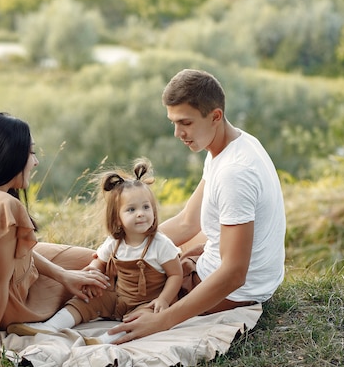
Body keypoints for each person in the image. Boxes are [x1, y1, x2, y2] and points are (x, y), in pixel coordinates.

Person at [108, 69, 286, 344]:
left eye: (186, 123)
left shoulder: (234, 173)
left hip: (232, 291)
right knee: (110, 262)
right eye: (173, 123)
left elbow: (234, 274)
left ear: (215, 116)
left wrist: (162, 321)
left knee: (111, 289)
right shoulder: (230, 145)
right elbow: (187, 223)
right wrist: (119, 247)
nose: (178, 133)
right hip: (233, 274)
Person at [0, 112, 110, 343]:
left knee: (98, 263)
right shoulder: (3, 206)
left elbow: (12, 253)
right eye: (30, 153)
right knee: (109, 273)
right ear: (10, 157)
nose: (35, 161)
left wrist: (64, 276)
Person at [7, 158, 183, 344]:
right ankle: (50, 327)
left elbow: (176, 275)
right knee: (86, 300)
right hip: (119, 296)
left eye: (146, 207)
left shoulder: (160, 244)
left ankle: (106, 339)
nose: (141, 213)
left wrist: (164, 300)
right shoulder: (115, 242)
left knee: (141, 319)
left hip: (148, 302)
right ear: (117, 219)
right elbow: (99, 260)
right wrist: (92, 271)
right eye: (131, 209)